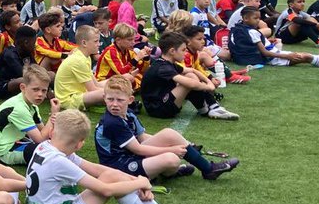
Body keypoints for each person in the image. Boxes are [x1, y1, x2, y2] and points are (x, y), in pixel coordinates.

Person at [27, 110, 212, 204]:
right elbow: (105, 189)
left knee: (111, 175)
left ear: (52, 131)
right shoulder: (59, 161)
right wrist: (140, 182)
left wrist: (137, 182)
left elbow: (97, 169)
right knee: (110, 180)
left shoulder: (46, 146)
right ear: (80, 144)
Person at [95, 76, 238, 181]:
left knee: (169, 135)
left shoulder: (129, 114)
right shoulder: (112, 122)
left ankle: (208, 169)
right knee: (171, 159)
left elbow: (143, 137)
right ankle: (160, 173)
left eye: (120, 100)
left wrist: (176, 144)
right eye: (110, 99)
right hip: (118, 167)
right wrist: (171, 149)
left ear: (130, 100)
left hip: (129, 156)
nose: (114, 104)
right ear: (104, 98)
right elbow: (138, 149)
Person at [228, 6, 319, 71]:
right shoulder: (252, 31)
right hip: (270, 58)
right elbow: (265, 52)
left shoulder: (237, 28)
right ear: (245, 18)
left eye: (259, 18)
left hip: (256, 57)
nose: (258, 21)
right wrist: (287, 56)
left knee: (305, 55)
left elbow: (248, 45)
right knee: (306, 57)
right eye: (255, 18)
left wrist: (268, 42)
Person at [141, 31, 237, 120]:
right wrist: (209, 87)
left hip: (163, 101)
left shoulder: (167, 63)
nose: (185, 53)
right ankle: (211, 108)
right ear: (172, 51)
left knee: (190, 75)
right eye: (183, 50)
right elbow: (191, 84)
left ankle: (208, 109)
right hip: (158, 109)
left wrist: (209, 81)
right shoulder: (163, 67)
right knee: (189, 81)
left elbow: (193, 70)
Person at [0, 64, 56, 166]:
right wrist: (53, 115)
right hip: (5, 151)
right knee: (46, 151)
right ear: (23, 87)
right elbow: (41, 139)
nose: (40, 94)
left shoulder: (32, 106)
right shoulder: (19, 108)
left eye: (44, 90)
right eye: (35, 89)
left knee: (55, 144)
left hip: (17, 141)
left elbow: (44, 132)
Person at [54, 26, 108, 112]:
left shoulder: (84, 56)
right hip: (68, 100)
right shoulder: (79, 60)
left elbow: (96, 84)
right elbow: (92, 89)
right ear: (84, 43)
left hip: (78, 94)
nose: (99, 44)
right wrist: (115, 93)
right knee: (107, 93)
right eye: (96, 41)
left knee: (115, 81)